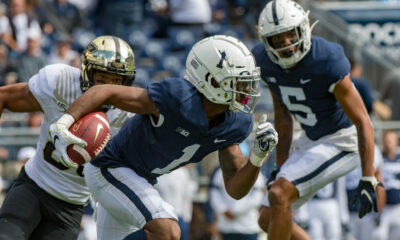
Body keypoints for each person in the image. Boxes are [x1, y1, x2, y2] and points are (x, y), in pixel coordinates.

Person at [48, 35, 279, 240]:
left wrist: (258, 157)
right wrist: (65, 122)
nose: (246, 89)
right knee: (167, 229)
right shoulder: (177, 98)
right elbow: (104, 91)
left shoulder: (236, 122)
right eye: (238, 81)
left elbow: (235, 190)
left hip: (137, 179)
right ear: (212, 80)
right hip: (110, 168)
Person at [251, 1, 381, 239]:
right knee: (267, 218)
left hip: (342, 141)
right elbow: (282, 115)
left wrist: (368, 175)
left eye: (291, 35)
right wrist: (281, 164)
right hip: (311, 139)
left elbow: (363, 120)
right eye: (278, 39)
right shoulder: (264, 62)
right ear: (266, 42)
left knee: (279, 195)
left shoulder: (325, 59)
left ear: (304, 29)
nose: (287, 44)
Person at [0, 35, 136, 240]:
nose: (106, 89)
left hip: (71, 208)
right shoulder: (60, 82)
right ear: (86, 72)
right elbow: (5, 96)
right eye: (101, 80)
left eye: (116, 81)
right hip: (33, 187)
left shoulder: (128, 115)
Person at [209, 163, 266, 240]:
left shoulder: (255, 172)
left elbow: (257, 198)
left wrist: (234, 211)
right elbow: (214, 194)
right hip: (226, 227)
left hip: (248, 227)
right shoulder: (220, 172)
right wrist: (223, 209)